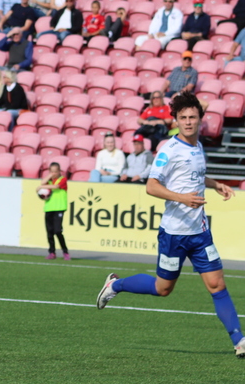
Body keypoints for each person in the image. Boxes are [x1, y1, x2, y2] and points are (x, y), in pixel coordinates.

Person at [96, 92, 245, 358]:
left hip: (199, 234)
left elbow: (196, 175)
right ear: (176, 120)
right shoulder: (169, 150)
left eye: (193, 117)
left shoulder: (198, 146)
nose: (188, 122)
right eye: (183, 118)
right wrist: (182, 198)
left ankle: (239, 341)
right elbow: (152, 186)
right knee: (162, 289)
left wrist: (215, 184)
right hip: (174, 234)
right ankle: (114, 286)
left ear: (200, 119)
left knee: (218, 285)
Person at [39, 161, 69, 261]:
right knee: (49, 232)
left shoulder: (63, 179)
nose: (53, 174)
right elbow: (42, 183)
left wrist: (42, 187)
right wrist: (48, 177)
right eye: (51, 172)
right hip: (49, 208)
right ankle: (52, 252)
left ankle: (65, 252)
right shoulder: (49, 181)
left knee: (58, 231)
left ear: (59, 171)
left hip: (59, 208)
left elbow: (56, 187)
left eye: (55, 172)